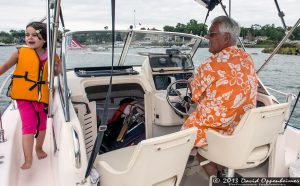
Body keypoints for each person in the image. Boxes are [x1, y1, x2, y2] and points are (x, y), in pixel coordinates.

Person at [182, 16, 258, 176]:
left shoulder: (209, 64)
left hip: (219, 130)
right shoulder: (247, 58)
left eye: (211, 34)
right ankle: (222, 171)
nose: (207, 37)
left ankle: (214, 176)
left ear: (226, 38)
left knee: (187, 129)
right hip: (242, 127)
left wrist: (190, 81)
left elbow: (195, 95)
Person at [0, 21, 61, 169]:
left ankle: (38, 148)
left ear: (45, 38)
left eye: (35, 35)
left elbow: (56, 74)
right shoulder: (19, 52)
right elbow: (6, 66)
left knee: (41, 125)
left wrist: (57, 69)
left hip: (42, 97)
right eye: (27, 35)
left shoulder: (53, 55)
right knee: (29, 125)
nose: (30, 38)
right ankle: (28, 159)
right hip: (24, 97)